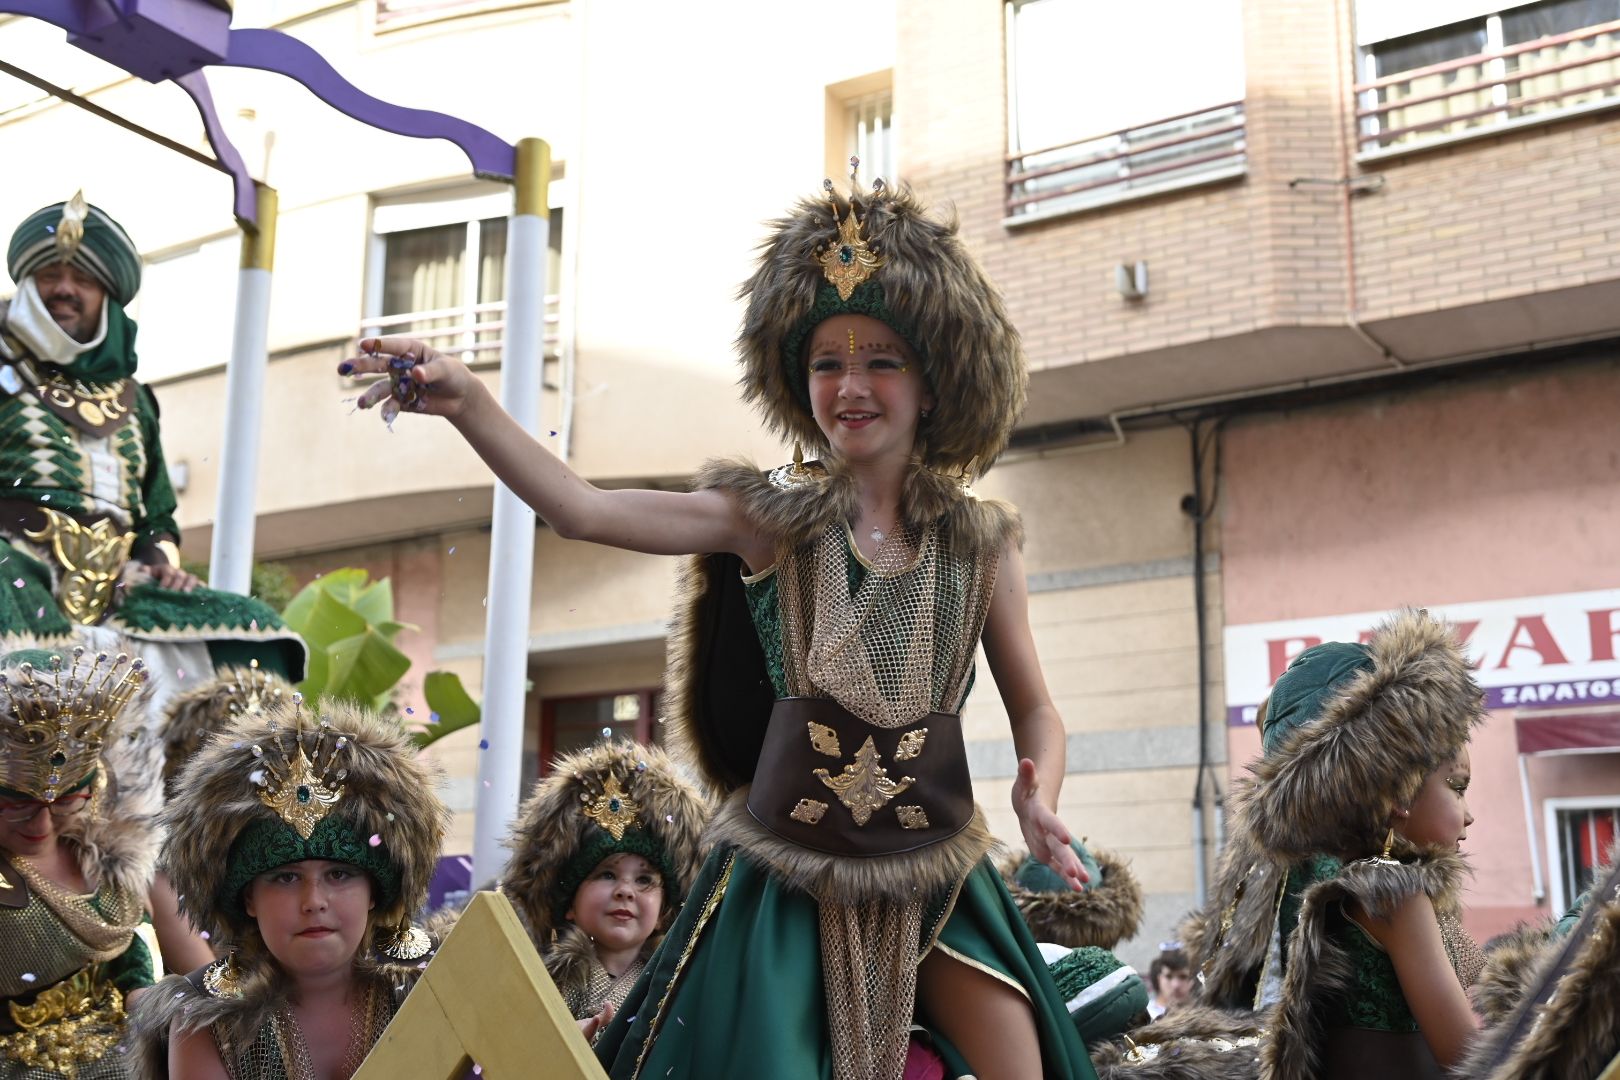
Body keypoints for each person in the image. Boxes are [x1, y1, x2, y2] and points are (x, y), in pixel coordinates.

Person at [343, 169, 1097, 1080]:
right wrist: (470, 404)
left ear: (934, 383)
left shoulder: (984, 543)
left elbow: (1036, 710)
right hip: (785, 870)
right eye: (828, 363)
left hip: (937, 864)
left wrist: (1038, 794)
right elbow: (582, 510)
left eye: (881, 361)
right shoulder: (765, 517)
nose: (851, 385)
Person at [0, 195, 305, 709]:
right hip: (15, 569)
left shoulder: (135, 399)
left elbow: (157, 514)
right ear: (29, 282)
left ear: (108, 294)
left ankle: (213, 783)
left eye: (84, 278)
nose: (65, 289)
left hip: (122, 587)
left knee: (250, 633)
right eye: (50, 274)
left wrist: (162, 565)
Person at [128, 695, 449, 1079]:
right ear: (248, 898)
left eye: (339, 875)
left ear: (375, 891)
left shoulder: (435, 983)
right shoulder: (205, 1017)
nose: (314, 901)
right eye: (286, 878)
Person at [1241, 608, 1487, 1080]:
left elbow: (1480, 976)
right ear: (1396, 793)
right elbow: (1469, 1054)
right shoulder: (1394, 893)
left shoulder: (1366, 882)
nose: (1468, 813)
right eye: (1457, 787)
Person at [0, 639, 210, 1080]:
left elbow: (199, 979)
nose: (41, 825)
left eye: (64, 803)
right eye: (15, 805)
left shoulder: (122, 858)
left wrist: (154, 1003)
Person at [497, 740, 709, 1030]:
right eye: (607, 875)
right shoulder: (536, 980)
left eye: (644, 880)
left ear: (663, 913)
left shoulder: (677, 988)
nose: (625, 891)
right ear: (570, 903)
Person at [1145, 947, 1191, 1020]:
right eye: (1168, 977)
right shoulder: (1145, 1016)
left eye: (1183, 977)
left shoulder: (1205, 1017)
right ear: (1159, 979)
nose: (1175, 985)